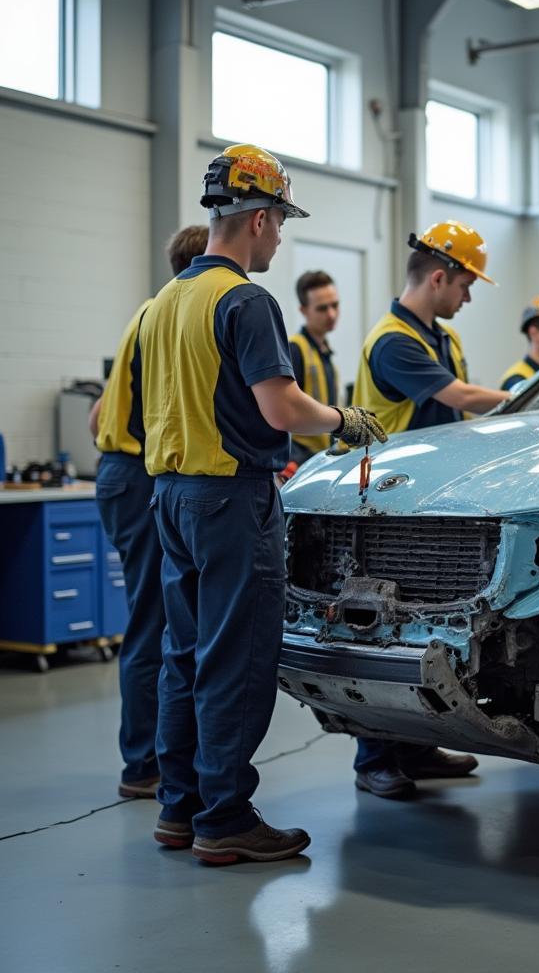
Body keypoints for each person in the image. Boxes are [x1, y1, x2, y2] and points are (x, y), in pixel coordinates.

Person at [139, 144, 387, 865]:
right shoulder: (246, 300)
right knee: (238, 659)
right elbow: (280, 408)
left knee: (183, 655)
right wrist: (346, 421)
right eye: (280, 221)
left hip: (172, 496)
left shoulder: (165, 303)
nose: (280, 236)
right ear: (257, 218)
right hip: (229, 500)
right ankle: (226, 816)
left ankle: (179, 809)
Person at [350, 219, 511, 799]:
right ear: (440, 276)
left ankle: (415, 747)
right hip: (386, 504)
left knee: (423, 622)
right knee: (380, 625)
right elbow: (461, 398)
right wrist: (533, 397)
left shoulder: (442, 336)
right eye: (466, 285)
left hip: (432, 502)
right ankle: (374, 758)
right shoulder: (394, 341)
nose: (468, 297)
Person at [87, 223, 208, 800]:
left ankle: (154, 756)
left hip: (118, 472)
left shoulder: (144, 316)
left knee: (155, 618)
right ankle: (142, 765)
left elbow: (97, 418)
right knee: (153, 623)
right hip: (139, 477)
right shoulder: (170, 316)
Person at [288, 270, 341, 464]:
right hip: (298, 459)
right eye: (322, 308)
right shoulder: (295, 349)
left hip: (322, 456)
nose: (331, 314)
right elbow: (285, 410)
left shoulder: (325, 352)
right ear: (303, 310)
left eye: (335, 305)